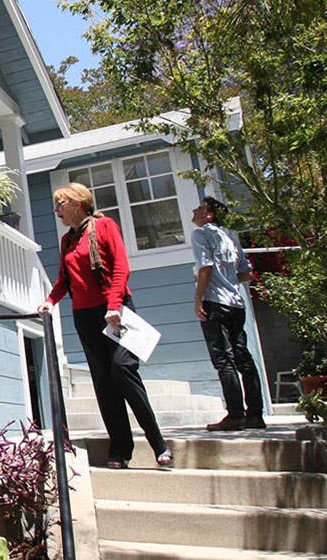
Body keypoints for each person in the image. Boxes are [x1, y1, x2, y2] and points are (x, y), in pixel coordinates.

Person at [37, 183, 172, 469]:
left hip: (115, 311)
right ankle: (120, 448)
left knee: (123, 371)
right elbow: (65, 279)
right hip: (84, 316)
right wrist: (50, 300)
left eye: (60, 203)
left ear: (77, 203)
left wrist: (113, 305)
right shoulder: (67, 240)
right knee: (103, 383)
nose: (56, 210)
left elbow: (121, 267)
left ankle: (158, 443)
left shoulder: (105, 226)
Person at [190, 196, 263, 431]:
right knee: (243, 356)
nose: (195, 210)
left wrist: (199, 297)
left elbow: (206, 267)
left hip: (215, 302)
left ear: (209, 215)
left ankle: (235, 414)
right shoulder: (230, 236)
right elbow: (247, 274)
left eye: (201, 208)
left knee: (224, 359)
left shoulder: (201, 234)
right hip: (235, 303)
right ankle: (255, 413)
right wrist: (229, 280)